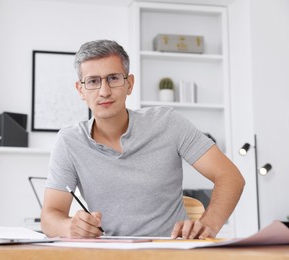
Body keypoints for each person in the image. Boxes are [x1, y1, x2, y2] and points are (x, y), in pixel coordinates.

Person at [41, 39, 245, 239]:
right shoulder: (69, 141)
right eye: (93, 81)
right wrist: (70, 227)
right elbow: (50, 217)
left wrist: (207, 226)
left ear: (129, 84)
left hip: (170, 251)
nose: (104, 91)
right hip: (109, 253)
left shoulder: (168, 123)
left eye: (113, 78)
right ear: (81, 90)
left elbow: (230, 177)